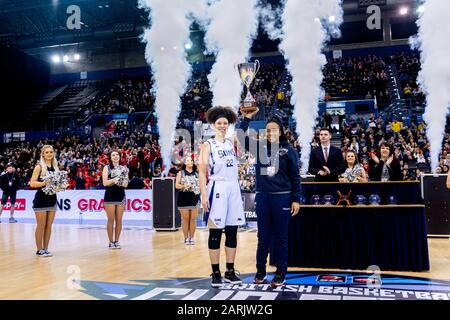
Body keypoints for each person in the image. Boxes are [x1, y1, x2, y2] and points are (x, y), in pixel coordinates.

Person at [238, 110, 301, 287]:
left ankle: (281, 273)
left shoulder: (289, 151)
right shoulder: (259, 147)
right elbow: (241, 137)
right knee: (263, 237)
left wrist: (296, 199)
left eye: (274, 129)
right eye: (268, 130)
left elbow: (295, 177)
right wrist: (247, 117)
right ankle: (260, 271)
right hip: (263, 197)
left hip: (282, 198)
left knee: (281, 238)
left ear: (280, 131)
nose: (270, 132)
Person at [199, 106, 245, 288]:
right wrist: (203, 194)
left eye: (225, 123)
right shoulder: (208, 145)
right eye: (219, 123)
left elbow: (246, 137)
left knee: (232, 232)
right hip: (216, 186)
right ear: (212, 125)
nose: (222, 126)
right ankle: (216, 272)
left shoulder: (231, 142)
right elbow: (202, 172)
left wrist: (246, 117)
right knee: (215, 232)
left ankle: (230, 271)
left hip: (233, 186)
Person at [29, 145, 59, 257]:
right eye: (47, 152)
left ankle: (46, 248)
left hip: (52, 199)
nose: (49, 154)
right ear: (43, 154)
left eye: (51, 152)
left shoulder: (56, 167)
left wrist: (61, 185)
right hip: (41, 199)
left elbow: (57, 183)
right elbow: (32, 183)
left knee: (49, 226)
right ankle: (39, 249)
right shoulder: (39, 167)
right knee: (41, 225)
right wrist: (44, 183)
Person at [103, 151, 129, 249]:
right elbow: (105, 183)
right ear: (110, 157)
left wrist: (122, 182)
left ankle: (117, 241)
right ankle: (110, 242)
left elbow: (126, 185)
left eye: (117, 154)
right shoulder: (107, 168)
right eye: (113, 155)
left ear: (120, 156)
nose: (115, 156)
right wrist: (114, 179)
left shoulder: (124, 168)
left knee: (119, 220)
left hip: (120, 195)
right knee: (111, 220)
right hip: (110, 196)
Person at [175, 155, 200, 245]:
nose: (191, 161)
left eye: (192, 160)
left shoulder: (197, 173)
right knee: (185, 219)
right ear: (185, 163)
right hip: (183, 198)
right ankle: (186, 238)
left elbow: (201, 185)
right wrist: (184, 186)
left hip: (195, 198)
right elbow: (176, 185)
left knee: (193, 219)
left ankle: (192, 238)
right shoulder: (180, 173)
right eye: (188, 160)